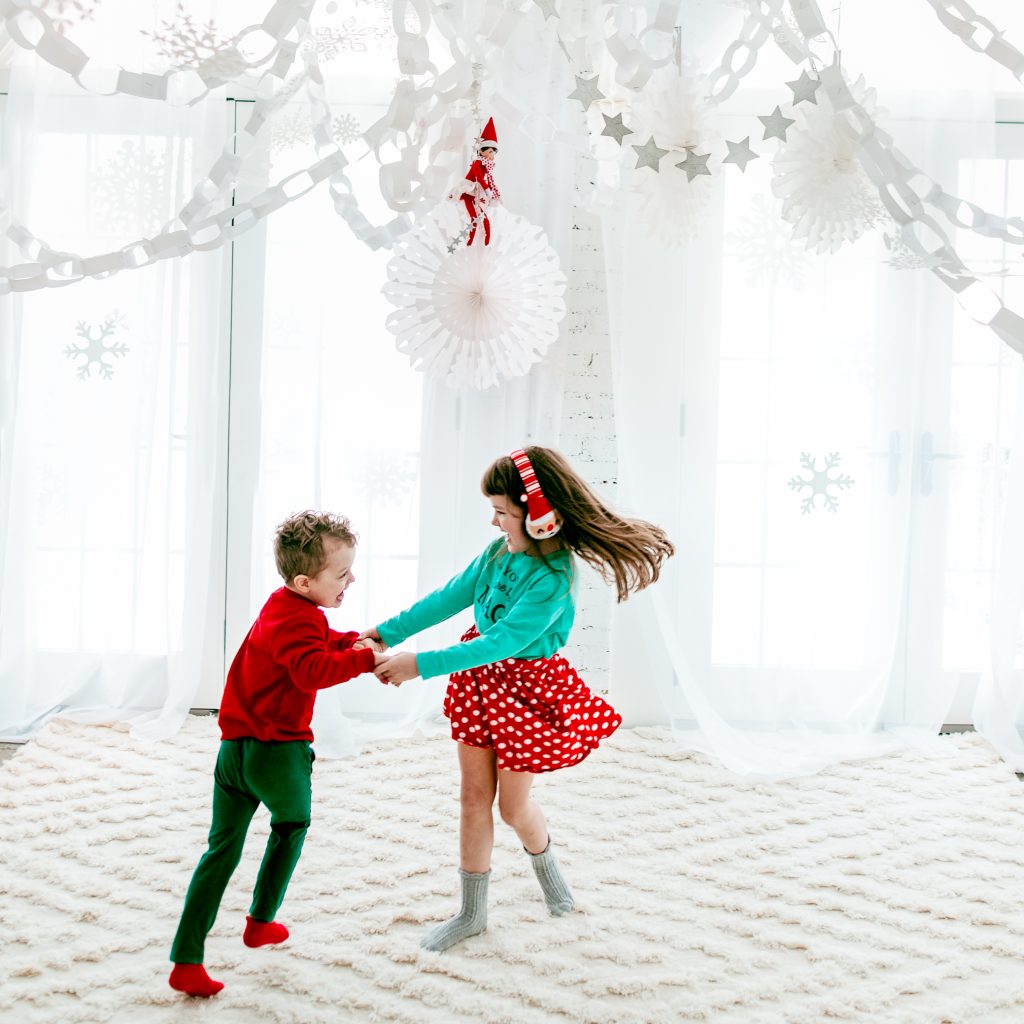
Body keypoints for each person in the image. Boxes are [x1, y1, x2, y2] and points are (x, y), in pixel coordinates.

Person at [365, 446, 674, 952]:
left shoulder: (553, 582)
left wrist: (417, 665)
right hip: (477, 684)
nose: (494, 522)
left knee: (512, 807)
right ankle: (470, 913)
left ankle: (549, 873)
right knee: (471, 798)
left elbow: (501, 643)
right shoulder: (497, 554)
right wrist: (386, 632)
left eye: (503, 512)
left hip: (526, 692)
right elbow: (448, 597)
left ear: (543, 519)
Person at [168, 510, 388, 997]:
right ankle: (260, 920)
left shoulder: (281, 607)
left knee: (219, 851)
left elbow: (314, 640)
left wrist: (352, 639)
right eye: (342, 573)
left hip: (232, 754)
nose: (352, 578)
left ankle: (186, 958)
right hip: (277, 753)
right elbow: (311, 670)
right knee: (291, 826)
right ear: (306, 580)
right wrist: (364, 658)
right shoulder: (303, 620)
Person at [457, 116, 501, 246]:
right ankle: (468, 245)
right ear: (481, 151)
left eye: (494, 153)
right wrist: (487, 190)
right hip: (468, 193)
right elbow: (479, 176)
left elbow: (486, 179)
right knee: (474, 220)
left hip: (476, 195)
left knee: (483, 218)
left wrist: (490, 191)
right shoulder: (478, 163)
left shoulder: (487, 166)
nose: (492, 155)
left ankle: (485, 245)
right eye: (490, 152)